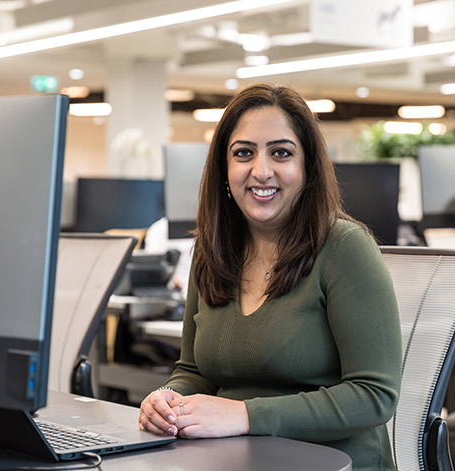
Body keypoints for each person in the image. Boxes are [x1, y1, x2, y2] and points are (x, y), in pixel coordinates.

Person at [139, 83, 402, 470]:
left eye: (281, 153)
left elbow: (374, 395)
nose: (261, 171)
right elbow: (194, 371)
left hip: (334, 463)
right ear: (223, 169)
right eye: (243, 153)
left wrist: (245, 416)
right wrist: (166, 399)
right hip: (233, 460)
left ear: (308, 167)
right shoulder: (210, 253)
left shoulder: (345, 248)